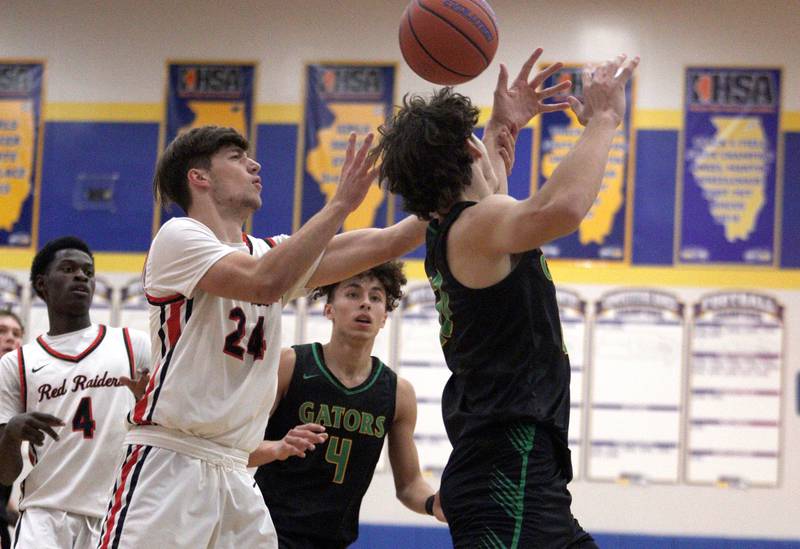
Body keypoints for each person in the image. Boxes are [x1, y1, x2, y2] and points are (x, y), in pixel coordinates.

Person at [96, 122, 509, 548]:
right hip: (172, 460)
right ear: (198, 177)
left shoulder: (270, 252)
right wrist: (339, 206)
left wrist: (473, 181)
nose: (254, 164)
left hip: (236, 474)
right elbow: (264, 283)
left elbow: (386, 242)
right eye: (236, 158)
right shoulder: (179, 237)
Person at [370, 49, 639, 548]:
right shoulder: (478, 226)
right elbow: (561, 207)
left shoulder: (456, 226)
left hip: (518, 472)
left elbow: (491, 176)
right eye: (478, 143)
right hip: (506, 474)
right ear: (468, 154)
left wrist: (503, 124)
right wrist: (604, 118)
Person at [251, 261, 445, 548]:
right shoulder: (290, 365)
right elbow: (235, 450)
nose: (365, 304)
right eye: (353, 294)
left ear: (384, 318)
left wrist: (433, 503)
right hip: (264, 533)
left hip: (333, 540)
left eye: (376, 297)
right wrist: (277, 447)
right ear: (329, 309)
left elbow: (409, 485)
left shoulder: (397, 393)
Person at [0, 237, 151, 549]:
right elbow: (5, 475)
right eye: (68, 269)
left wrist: (149, 407)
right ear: (42, 285)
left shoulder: (132, 345)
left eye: (88, 271)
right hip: (43, 517)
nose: (81, 276)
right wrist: (12, 435)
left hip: (116, 513)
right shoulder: (17, 363)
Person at [0, 310, 24, 549]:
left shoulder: (16, 393)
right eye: (2, 331)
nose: (10, 338)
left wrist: (12, 510)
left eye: (16, 334)